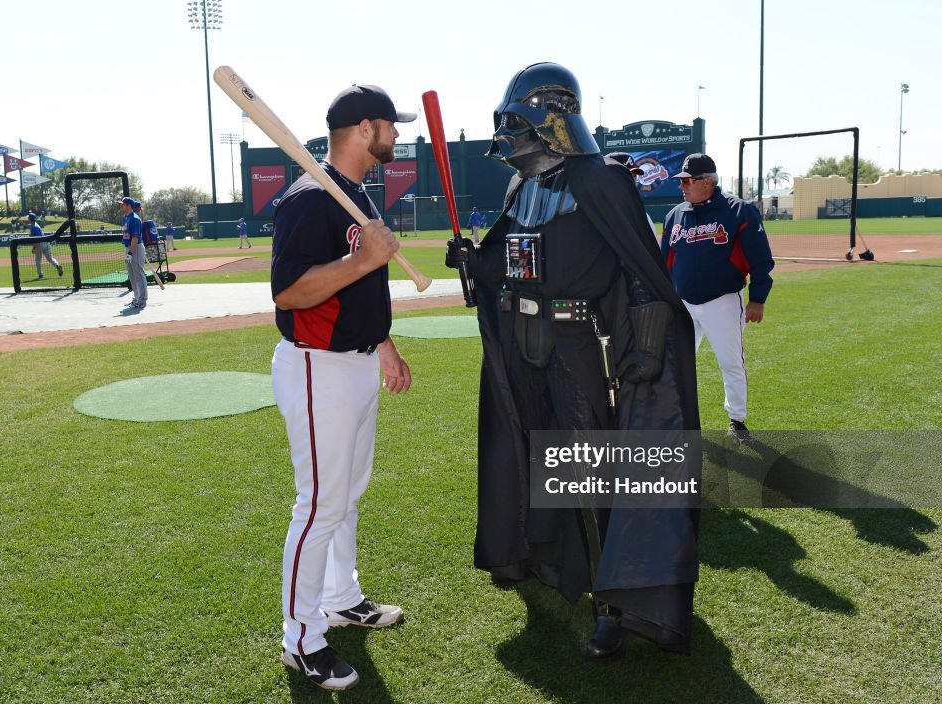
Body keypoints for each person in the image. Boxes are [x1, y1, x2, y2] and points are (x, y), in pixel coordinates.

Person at [445, 62, 701, 659]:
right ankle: (551, 560)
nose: (506, 134)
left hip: (578, 347)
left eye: (516, 121)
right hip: (524, 347)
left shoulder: (600, 180)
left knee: (597, 475)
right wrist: (475, 263)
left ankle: (620, 604)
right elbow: (513, 266)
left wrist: (645, 342)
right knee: (538, 463)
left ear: (548, 119)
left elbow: (639, 269)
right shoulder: (520, 188)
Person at [271, 83, 416, 692]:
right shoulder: (309, 197)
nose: (397, 134)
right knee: (320, 505)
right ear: (364, 128)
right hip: (316, 366)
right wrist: (363, 261)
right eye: (391, 125)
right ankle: (301, 638)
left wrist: (384, 344)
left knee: (348, 494)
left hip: (354, 362)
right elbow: (289, 292)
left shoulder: (356, 195)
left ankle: (340, 597)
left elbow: (358, 292)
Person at [661, 153, 774, 445]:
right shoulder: (675, 215)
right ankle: (675, 419)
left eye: (688, 180)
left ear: (708, 182)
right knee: (676, 364)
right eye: (681, 180)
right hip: (683, 304)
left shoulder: (738, 211)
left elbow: (760, 259)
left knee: (731, 362)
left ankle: (736, 420)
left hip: (722, 301)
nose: (682, 186)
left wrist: (757, 297)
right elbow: (666, 261)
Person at [606, 152, 657, 238]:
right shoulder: (592, 212)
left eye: (634, 175)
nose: (632, 180)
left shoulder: (643, 217)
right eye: (625, 175)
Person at [118, 196, 147, 310]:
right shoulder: (126, 217)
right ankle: (136, 298)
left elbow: (135, 238)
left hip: (135, 248)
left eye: (123, 204)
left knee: (139, 274)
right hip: (128, 248)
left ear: (129, 205)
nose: (121, 206)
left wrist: (130, 252)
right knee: (132, 275)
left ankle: (142, 300)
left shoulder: (135, 219)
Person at [28, 213, 63, 278]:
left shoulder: (33, 227)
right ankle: (57, 265)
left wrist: (33, 247)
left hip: (40, 243)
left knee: (38, 259)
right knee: (50, 258)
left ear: (30, 219)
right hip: (46, 242)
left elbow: (35, 239)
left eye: (28, 218)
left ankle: (40, 274)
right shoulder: (37, 225)